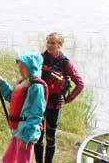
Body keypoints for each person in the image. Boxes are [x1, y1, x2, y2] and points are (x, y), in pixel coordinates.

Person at [35, 32, 85, 163]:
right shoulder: (40, 59)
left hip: (54, 106)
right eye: (48, 42)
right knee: (38, 137)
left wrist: (67, 99)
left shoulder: (65, 63)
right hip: (39, 104)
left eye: (53, 43)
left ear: (60, 45)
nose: (49, 45)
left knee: (50, 138)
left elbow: (80, 84)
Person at [0, 54, 48, 163]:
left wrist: (26, 138)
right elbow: (11, 96)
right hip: (18, 132)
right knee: (7, 159)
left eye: (22, 68)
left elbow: (37, 115)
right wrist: (1, 81)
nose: (19, 70)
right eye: (19, 67)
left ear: (31, 68)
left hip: (27, 134)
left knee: (22, 160)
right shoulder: (23, 82)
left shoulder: (36, 87)